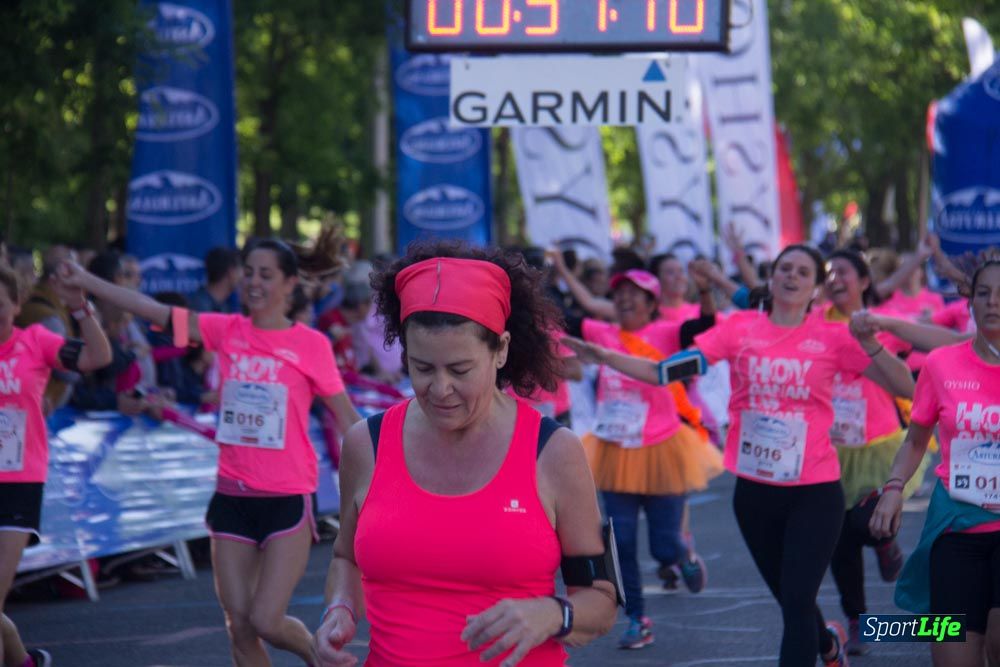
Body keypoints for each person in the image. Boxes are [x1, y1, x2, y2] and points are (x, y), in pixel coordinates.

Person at [566, 244, 915, 666]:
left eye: (803, 272)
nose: (791, 276)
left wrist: (871, 343)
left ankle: (819, 645)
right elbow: (665, 372)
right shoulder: (738, 330)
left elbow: (905, 387)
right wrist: (604, 356)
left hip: (814, 491)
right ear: (771, 278)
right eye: (784, 268)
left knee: (799, 598)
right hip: (754, 494)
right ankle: (826, 644)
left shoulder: (833, 337)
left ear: (816, 289)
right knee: (792, 602)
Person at [56, 227, 361, 667]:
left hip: (287, 498)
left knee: (267, 621)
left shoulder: (311, 345)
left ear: (290, 284)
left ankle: (320, 657)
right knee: (239, 629)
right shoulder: (225, 329)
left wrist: (382, 475)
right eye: (249, 273)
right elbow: (153, 311)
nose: (254, 283)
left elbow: (346, 417)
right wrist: (87, 281)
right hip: (231, 498)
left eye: (266, 275)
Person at [313, 243, 617, 667]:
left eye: (460, 370)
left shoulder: (553, 451)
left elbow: (601, 600)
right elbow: (345, 558)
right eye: (421, 368)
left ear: (501, 350)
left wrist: (552, 613)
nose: (440, 390)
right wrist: (339, 610)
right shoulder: (368, 443)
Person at [578, 267, 722, 649]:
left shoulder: (668, 332)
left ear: (652, 303)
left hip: (662, 450)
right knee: (620, 540)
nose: (625, 299)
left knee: (663, 546)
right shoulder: (601, 333)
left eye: (634, 294)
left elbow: (706, 325)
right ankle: (638, 619)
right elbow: (563, 324)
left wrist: (706, 290)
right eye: (619, 293)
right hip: (614, 449)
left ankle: (683, 556)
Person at [870, 259, 1000, 667]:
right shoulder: (941, 364)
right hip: (954, 530)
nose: (994, 302)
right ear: (970, 302)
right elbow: (915, 439)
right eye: (984, 293)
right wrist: (894, 490)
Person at [818, 249, 930, 654]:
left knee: (867, 521)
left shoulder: (885, 325)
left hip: (879, 448)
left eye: (843, 271)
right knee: (837, 539)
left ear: (864, 281)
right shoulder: (814, 324)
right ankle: (858, 619)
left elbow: (920, 363)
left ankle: (885, 544)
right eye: (827, 273)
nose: (833, 279)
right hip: (828, 450)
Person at [0, 262, 112, 667]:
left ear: (15, 305)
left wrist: (81, 309)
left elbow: (98, 356)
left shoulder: (35, 341)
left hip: (18, 484)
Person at [188, 246, 243, 314]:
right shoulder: (199, 307)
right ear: (230, 272)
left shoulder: (226, 306)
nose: (242, 276)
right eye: (240, 269)